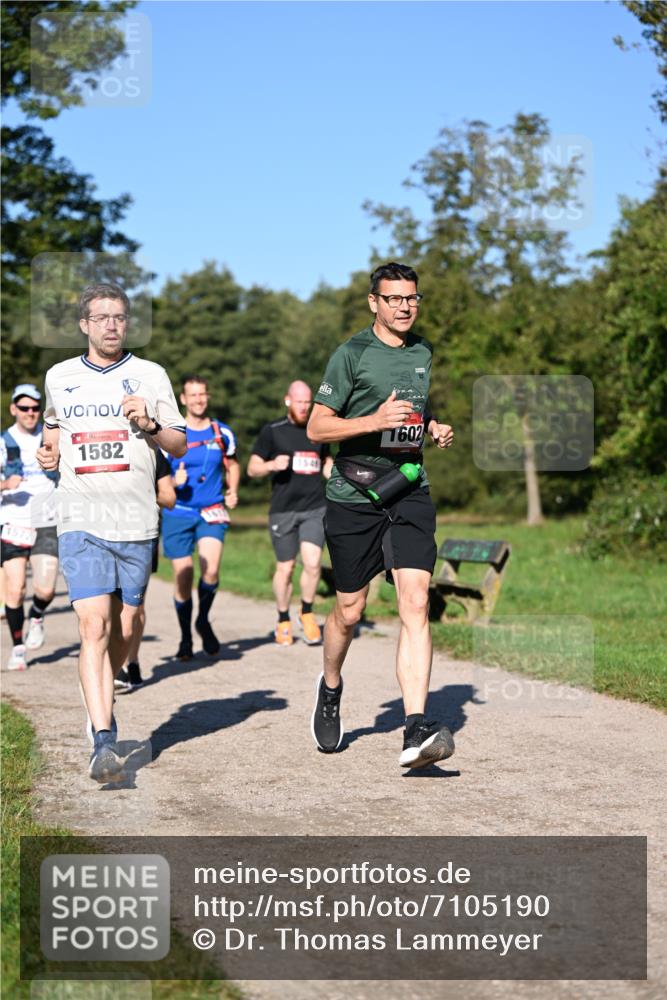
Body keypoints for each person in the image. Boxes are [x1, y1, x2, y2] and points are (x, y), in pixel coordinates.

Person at [307, 262, 456, 769]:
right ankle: (330, 687)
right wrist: (373, 421)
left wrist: (431, 425)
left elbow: (414, 407)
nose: (405, 307)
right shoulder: (351, 355)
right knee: (350, 610)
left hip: (409, 488)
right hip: (354, 494)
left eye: (411, 298)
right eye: (394, 299)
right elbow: (317, 428)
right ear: (374, 302)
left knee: (416, 601)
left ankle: (415, 728)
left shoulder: (422, 351)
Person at [37, 282, 186, 782]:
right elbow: (53, 426)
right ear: (84, 324)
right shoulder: (59, 376)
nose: (111, 326)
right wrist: (49, 451)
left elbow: (179, 444)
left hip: (136, 520)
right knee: (93, 626)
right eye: (101, 318)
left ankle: (105, 684)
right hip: (80, 516)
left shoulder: (151, 375)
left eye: (119, 317)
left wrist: (149, 424)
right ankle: (103, 738)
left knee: (125, 627)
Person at [248, 381, 333, 646]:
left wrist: (336, 476)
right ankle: (283, 618)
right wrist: (272, 464)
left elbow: (325, 461)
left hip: (314, 507)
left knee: (313, 563)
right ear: (288, 401)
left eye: (308, 402)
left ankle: (306, 613)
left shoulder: (317, 430)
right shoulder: (273, 431)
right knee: (285, 568)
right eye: (299, 402)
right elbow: (252, 468)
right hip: (283, 510)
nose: (304, 407)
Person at [161, 375, 240, 660]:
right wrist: (174, 481)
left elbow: (233, 465)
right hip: (178, 512)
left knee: (211, 570)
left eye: (202, 394)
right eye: (193, 395)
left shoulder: (222, 432)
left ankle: (203, 620)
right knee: (184, 576)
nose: (198, 399)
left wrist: (232, 490)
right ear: (183, 399)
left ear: (208, 396)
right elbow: (157, 478)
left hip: (211, 510)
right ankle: (185, 637)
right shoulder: (171, 435)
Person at [1, 384, 59, 670]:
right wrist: (4, 484)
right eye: (24, 408)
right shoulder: (4, 442)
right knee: (15, 589)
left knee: (45, 590)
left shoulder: (52, 438)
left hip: (46, 520)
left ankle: (36, 614)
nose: (30, 413)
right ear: (14, 409)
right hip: (13, 522)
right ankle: (18, 648)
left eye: (35, 408)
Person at [115, 449, 177, 691]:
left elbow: (169, 498)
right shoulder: (101, 448)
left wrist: (143, 494)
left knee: (135, 606)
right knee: (107, 604)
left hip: (142, 536)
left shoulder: (151, 453)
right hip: (103, 534)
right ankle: (115, 664)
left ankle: (131, 661)